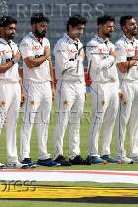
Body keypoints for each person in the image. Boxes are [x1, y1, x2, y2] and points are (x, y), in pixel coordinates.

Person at [0, 16, 29, 169]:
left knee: (13, 123)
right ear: (1, 29)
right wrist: (13, 60)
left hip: (14, 87)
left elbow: (15, 70)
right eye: (10, 28)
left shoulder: (14, 45)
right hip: (2, 86)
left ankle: (12, 159)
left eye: (14, 28)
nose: (13, 31)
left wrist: (21, 89)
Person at [19, 13, 58, 167]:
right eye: (42, 25)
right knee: (28, 120)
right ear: (34, 25)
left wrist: (52, 85)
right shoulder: (26, 42)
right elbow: (30, 63)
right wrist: (46, 55)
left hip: (45, 85)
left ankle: (43, 156)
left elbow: (48, 64)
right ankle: (24, 156)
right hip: (32, 85)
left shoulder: (45, 41)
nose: (44, 28)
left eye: (45, 26)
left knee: (44, 121)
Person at [86, 15, 125, 164]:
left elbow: (113, 69)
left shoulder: (111, 45)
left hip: (112, 86)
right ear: (100, 26)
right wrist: (111, 57)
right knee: (98, 119)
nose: (111, 29)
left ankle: (105, 152)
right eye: (108, 26)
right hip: (99, 85)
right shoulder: (92, 44)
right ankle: (92, 153)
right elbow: (96, 66)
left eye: (112, 27)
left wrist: (118, 87)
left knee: (110, 119)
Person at [115, 15, 138, 164]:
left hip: (137, 84)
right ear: (124, 28)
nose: (135, 26)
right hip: (126, 83)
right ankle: (120, 153)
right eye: (131, 24)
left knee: (136, 120)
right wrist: (136, 57)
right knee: (123, 120)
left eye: (135, 24)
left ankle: (136, 153)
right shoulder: (119, 44)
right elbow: (122, 68)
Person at [52, 15, 88, 166]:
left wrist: (84, 86)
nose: (80, 32)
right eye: (78, 29)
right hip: (66, 84)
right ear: (70, 28)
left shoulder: (78, 43)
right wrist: (79, 59)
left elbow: (78, 68)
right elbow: (64, 67)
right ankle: (58, 154)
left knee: (75, 121)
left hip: (78, 85)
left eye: (82, 29)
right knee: (63, 120)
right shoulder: (61, 44)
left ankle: (75, 154)